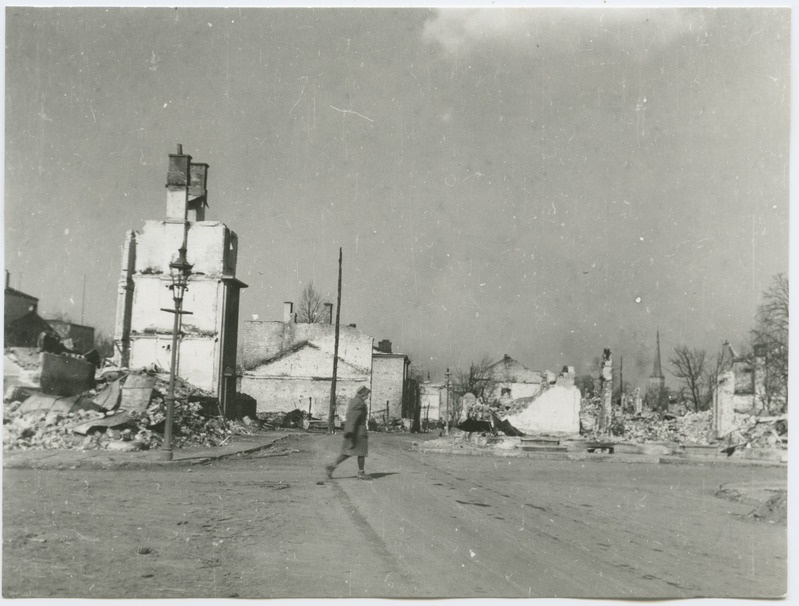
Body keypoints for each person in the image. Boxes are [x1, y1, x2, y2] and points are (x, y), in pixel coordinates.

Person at [325, 386, 370, 480]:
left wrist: (349, 430)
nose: (367, 397)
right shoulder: (359, 403)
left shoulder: (354, 401)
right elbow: (354, 417)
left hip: (353, 430)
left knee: (347, 452)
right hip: (358, 431)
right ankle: (361, 473)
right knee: (361, 452)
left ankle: (332, 466)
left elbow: (350, 416)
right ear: (363, 394)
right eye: (367, 395)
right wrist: (351, 430)